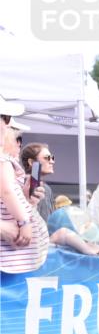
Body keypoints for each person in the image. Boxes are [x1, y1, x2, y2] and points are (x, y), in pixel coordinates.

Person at [1, 101, 49, 272]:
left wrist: (26, 199)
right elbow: (6, 192)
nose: (18, 143)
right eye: (5, 119)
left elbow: (7, 194)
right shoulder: (3, 162)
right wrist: (23, 222)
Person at [19, 143, 54, 221]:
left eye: (52, 158)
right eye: (47, 158)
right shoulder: (17, 186)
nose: (52, 161)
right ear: (31, 162)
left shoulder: (47, 189)